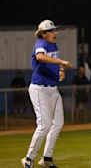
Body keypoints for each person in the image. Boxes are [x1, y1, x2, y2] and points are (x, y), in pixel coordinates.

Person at [21, 19, 72, 168]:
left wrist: (61, 70)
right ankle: (28, 159)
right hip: (39, 89)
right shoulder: (41, 44)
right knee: (44, 124)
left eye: (54, 30)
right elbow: (40, 57)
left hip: (52, 89)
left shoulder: (52, 44)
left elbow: (53, 60)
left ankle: (47, 158)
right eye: (51, 31)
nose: (55, 33)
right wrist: (61, 62)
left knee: (58, 124)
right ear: (43, 34)